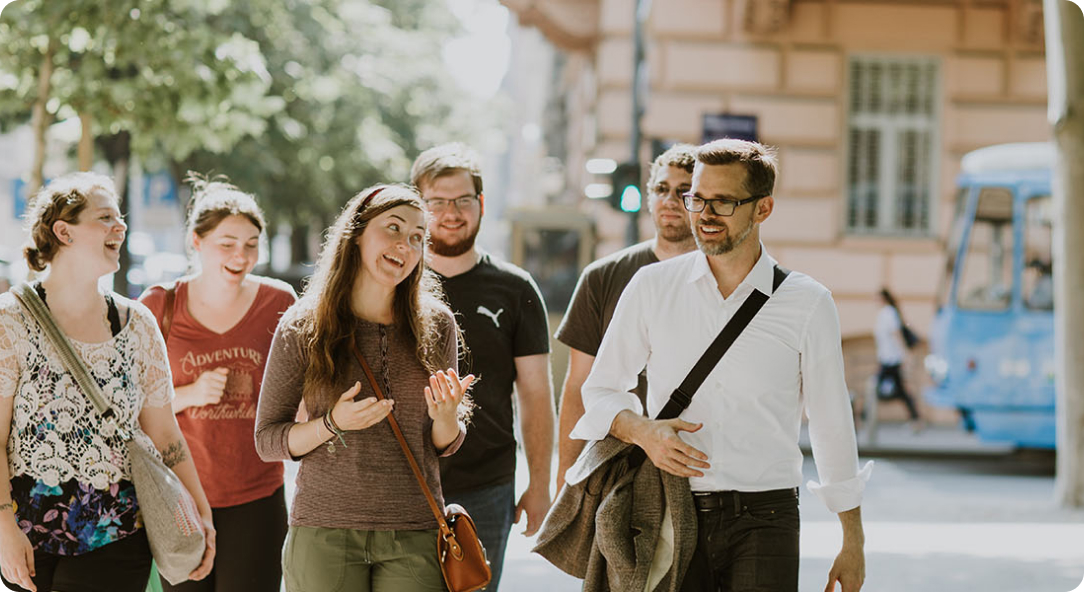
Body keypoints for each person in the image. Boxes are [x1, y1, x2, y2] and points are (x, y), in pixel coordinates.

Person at [572, 140, 872, 592]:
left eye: (724, 202)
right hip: (671, 508)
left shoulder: (807, 302)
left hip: (766, 517)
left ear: (763, 208)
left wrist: (853, 540)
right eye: (697, 198)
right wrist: (643, 432)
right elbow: (599, 390)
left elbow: (832, 422)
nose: (703, 213)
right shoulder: (652, 287)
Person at [0, 172, 215, 592]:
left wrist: (201, 512)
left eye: (120, 217)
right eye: (104, 218)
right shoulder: (10, 320)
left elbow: (165, 432)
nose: (121, 226)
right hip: (28, 535)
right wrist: (3, 526)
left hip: (118, 532)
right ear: (63, 231)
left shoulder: (138, 324)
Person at [255, 184, 471, 592]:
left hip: (415, 531)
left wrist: (446, 417)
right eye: (393, 228)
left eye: (417, 237)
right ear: (356, 233)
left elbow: (444, 444)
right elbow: (267, 440)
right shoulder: (303, 325)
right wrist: (331, 422)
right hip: (324, 531)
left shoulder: (438, 323)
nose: (405, 245)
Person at [140, 175, 296, 591]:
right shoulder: (159, 305)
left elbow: (300, 394)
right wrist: (191, 394)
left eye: (250, 244)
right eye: (226, 243)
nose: (240, 255)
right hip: (180, 496)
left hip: (257, 495)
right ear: (196, 241)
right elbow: (126, 404)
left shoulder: (279, 304)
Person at [411, 143, 554, 591]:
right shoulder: (393, 283)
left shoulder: (516, 290)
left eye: (462, 200)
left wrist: (540, 484)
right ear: (418, 207)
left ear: (481, 205)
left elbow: (535, 395)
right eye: (436, 202)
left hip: (487, 485)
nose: (451, 213)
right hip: (402, 482)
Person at [554, 143, 698, 491]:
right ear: (649, 196)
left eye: (684, 192)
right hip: (615, 464)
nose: (670, 199)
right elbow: (577, 386)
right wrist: (565, 479)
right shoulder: (603, 277)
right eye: (661, 189)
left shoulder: (720, 280)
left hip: (697, 461)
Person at [874, 287, 924, 432]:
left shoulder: (889, 313)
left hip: (892, 359)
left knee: (876, 387)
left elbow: (897, 335)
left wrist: (905, 354)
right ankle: (916, 419)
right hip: (886, 358)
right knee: (900, 391)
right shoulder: (885, 313)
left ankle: (862, 419)